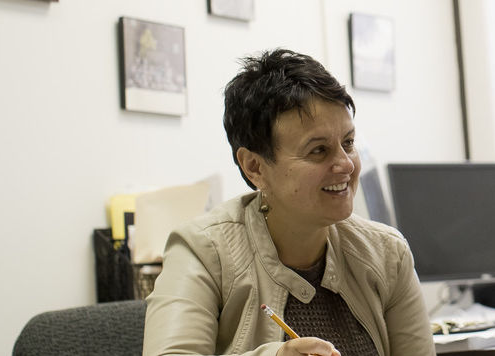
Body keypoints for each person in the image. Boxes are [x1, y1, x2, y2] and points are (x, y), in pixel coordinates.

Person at [143, 49, 434, 356]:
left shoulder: (387, 254)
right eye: (318, 151)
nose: (346, 164)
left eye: (348, 143)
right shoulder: (204, 252)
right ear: (255, 167)